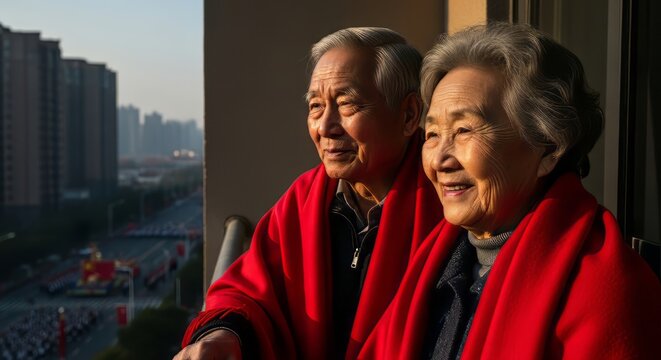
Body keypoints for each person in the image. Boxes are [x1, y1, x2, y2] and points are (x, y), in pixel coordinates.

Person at [358, 23, 661, 359]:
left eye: (463, 130)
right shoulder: (437, 261)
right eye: (431, 134)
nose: (440, 160)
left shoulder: (605, 287)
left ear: (547, 148)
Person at [173, 27, 443, 359]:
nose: (325, 127)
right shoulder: (304, 201)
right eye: (316, 106)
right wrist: (223, 338)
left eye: (346, 104)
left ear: (409, 114)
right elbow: (247, 292)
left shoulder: (447, 201)